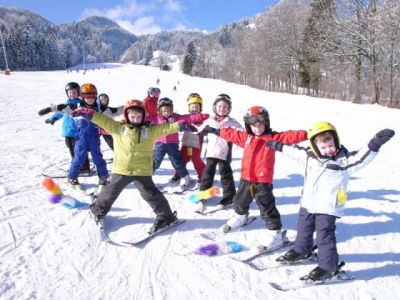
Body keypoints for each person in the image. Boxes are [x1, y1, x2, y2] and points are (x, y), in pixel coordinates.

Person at [265, 122, 395, 281]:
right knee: (303, 229)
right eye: (324, 147)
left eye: (331, 145)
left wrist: (374, 143)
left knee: (324, 236)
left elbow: (362, 157)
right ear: (314, 146)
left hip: (328, 208)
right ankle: (301, 250)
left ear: (336, 142)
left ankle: (328, 267)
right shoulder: (309, 156)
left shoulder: (344, 162)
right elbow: (293, 151)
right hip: (307, 203)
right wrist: (278, 145)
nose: (329, 149)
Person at [72, 99, 192, 233]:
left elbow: (166, 128)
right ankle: (97, 210)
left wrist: (180, 126)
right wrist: (89, 113)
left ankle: (167, 217)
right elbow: (103, 120)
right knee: (111, 191)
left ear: (143, 116)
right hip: (122, 169)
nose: (135, 119)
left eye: (139, 116)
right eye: (132, 116)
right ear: (127, 116)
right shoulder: (118, 128)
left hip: (142, 170)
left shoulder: (149, 130)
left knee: (151, 194)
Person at [201, 105, 307, 247]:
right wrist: (215, 130)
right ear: (248, 126)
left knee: (266, 207)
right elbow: (231, 134)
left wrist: (308, 133)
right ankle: (240, 216)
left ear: (266, 123)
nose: (257, 128)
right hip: (246, 178)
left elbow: (290, 136)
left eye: (261, 125)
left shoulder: (273, 138)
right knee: (240, 201)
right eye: (253, 126)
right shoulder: (246, 138)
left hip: (262, 182)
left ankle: (276, 232)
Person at [38, 83, 109, 189]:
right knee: (78, 157)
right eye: (86, 96)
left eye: (92, 96)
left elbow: (110, 111)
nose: (89, 99)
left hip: (93, 137)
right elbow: (61, 109)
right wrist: (50, 111)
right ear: (82, 96)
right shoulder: (75, 107)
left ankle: (103, 177)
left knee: (98, 157)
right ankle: (72, 177)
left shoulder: (97, 107)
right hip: (78, 136)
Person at [148, 97, 209, 190]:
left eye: (169, 110)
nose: (167, 113)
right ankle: (146, 178)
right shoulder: (155, 118)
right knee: (155, 162)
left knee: (177, 162)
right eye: (164, 111)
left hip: (173, 144)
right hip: (159, 144)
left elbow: (189, 117)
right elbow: (143, 119)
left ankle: (185, 177)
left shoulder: (176, 117)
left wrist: (200, 116)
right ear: (159, 110)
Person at [195, 94, 242, 213]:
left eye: (225, 107)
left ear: (229, 109)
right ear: (215, 107)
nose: (222, 109)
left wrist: (233, 132)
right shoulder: (210, 120)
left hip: (224, 153)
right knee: (207, 174)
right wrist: (202, 131)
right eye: (219, 106)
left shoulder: (231, 122)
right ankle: (203, 195)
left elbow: (242, 133)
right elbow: (199, 130)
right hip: (211, 153)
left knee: (225, 175)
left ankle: (229, 196)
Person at [44, 82, 91, 174]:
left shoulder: (81, 104)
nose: (71, 94)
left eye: (73, 92)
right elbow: (59, 112)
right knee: (72, 150)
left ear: (78, 93)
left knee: (80, 150)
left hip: (78, 132)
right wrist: (52, 118)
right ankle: (77, 166)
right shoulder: (66, 103)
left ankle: (85, 168)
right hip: (67, 132)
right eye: (69, 92)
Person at [170, 93, 206, 186]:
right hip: (186, 141)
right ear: (189, 108)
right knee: (183, 158)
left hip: (196, 142)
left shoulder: (201, 118)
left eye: (197, 107)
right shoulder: (186, 117)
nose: (194, 109)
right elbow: (178, 119)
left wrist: (203, 128)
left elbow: (206, 123)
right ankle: (178, 174)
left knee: (196, 159)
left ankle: (203, 176)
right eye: (192, 107)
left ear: (200, 108)